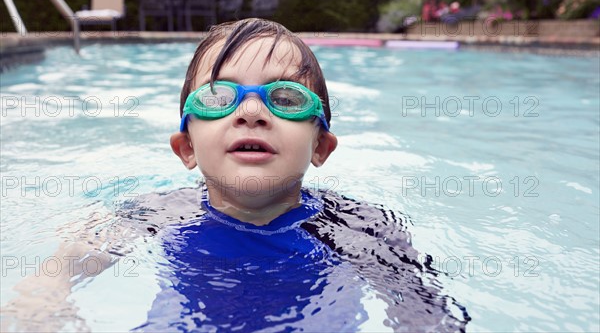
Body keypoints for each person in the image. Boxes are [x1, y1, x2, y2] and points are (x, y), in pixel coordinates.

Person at [1, 19, 469, 332]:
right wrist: (45, 297)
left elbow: (424, 312)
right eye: (219, 97)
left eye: (284, 99)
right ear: (186, 148)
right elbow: (70, 258)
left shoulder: (359, 228)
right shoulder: (158, 213)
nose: (250, 112)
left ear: (321, 147)